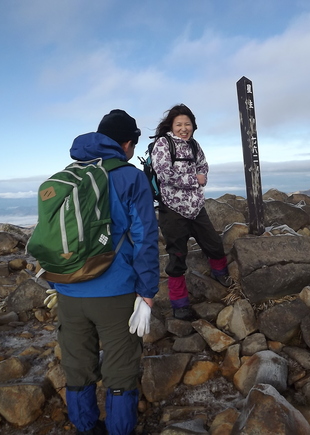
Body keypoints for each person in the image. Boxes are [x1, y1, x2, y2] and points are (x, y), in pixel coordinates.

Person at [53, 110, 159, 435]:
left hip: (68, 290)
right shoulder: (131, 177)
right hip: (114, 292)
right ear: (126, 144)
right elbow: (144, 239)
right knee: (120, 369)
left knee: (77, 366)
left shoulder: (68, 174)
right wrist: (148, 294)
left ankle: (85, 428)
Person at [150, 103, 231, 321]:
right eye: (179, 124)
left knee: (213, 242)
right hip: (172, 208)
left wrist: (200, 179)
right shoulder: (163, 144)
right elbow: (164, 175)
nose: (184, 128)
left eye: (187, 124)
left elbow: (203, 166)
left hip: (196, 207)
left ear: (193, 126)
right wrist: (194, 180)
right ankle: (179, 303)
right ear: (171, 126)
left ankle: (221, 274)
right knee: (177, 255)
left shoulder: (194, 145)